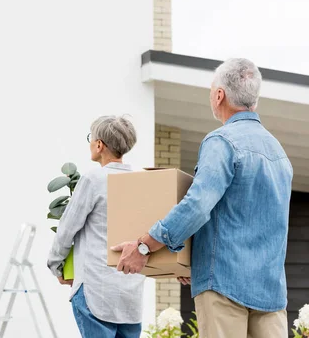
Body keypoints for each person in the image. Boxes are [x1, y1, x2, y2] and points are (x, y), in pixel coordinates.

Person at [112, 58, 293, 338]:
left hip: (224, 287)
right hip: (271, 292)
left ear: (219, 94)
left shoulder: (221, 142)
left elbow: (197, 205)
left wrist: (144, 247)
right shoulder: (279, 154)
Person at [47, 115, 145, 338]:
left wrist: (56, 266)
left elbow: (66, 229)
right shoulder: (141, 180)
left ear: (99, 144)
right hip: (130, 294)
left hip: (96, 289)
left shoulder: (94, 179)